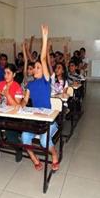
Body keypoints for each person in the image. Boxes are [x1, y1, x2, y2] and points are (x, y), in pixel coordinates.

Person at [21, 25, 60, 171]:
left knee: (44, 141)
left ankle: (54, 155)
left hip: (49, 119)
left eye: (39, 67)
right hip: (35, 119)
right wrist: (21, 104)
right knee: (24, 138)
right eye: (35, 68)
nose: (36, 69)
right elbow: (25, 100)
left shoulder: (46, 81)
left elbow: (43, 59)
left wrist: (44, 38)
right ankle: (34, 159)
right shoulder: (30, 85)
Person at [0, 63, 23, 161]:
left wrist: (7, 94)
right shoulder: (1, 84)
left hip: (12, 116)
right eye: (5, 73)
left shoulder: (17, 87)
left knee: (11, 137)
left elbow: (17, 105)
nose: (6, 75)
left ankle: (19, 149)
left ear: (14, 75)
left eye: (8, 73)